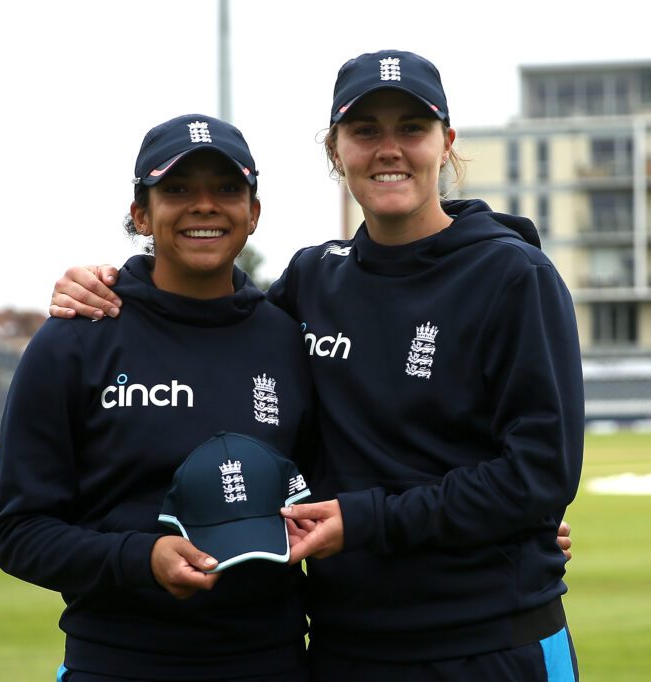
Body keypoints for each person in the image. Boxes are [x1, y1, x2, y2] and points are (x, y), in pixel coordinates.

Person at [51, 50, 583, 681]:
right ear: (335, 149)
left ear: (447, 143)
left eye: (412, 128)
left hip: (490, 640)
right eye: (365, 131)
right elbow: (207, 343)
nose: (389, 149)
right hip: (342, 648)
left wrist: (370, 520)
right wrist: (116, 285)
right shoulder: (310, 281)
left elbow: (540, 474)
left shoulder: (514, 277)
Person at [0, 114, 315, 681]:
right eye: (178, 189)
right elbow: (18, 531)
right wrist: (140, 559)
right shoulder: (76, 337)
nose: (204, 205)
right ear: (141, 213)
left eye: (227, 188)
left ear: (253, 213)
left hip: (272, 662)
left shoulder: (289, 339)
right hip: (118, 663)